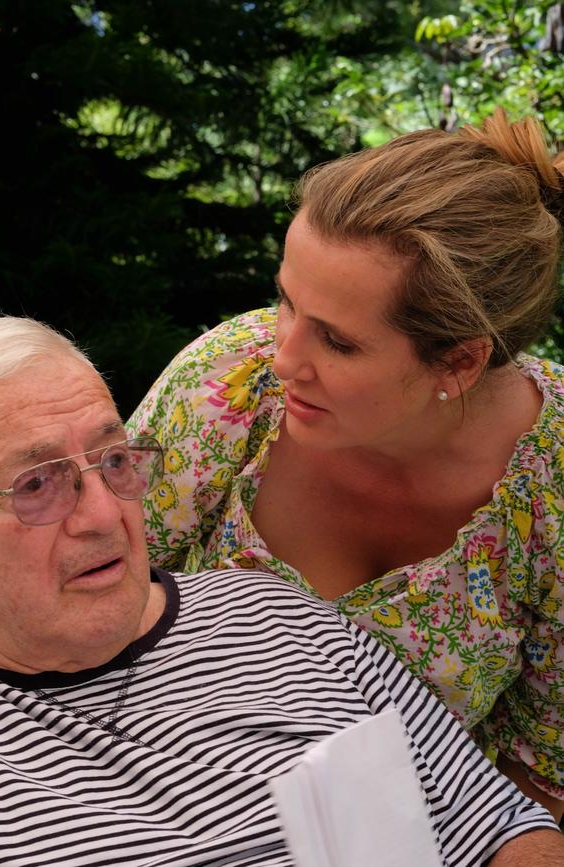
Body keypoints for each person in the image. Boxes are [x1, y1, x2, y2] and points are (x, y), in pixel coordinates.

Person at [0, 316, 562, 867]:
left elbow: (502, 825)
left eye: (115, 461)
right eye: (36, 485)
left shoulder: (281, 615)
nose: (105, 515)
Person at [127, 108, 564, 817]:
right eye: (285, 301)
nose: (283, 357)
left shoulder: (553, 487)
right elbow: (87, 587)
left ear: (457, 361)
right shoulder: (228, 386)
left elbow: (545, 766)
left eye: (337, 342)